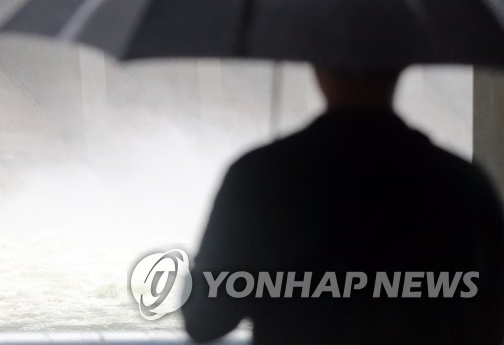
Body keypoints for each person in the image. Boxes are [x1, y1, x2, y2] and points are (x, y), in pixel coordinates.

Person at [181, 66, 504, 344]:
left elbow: (204, 321)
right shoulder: (462, 184)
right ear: (399, 67)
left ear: (317, 69)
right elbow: (490, 321)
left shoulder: (259, 176)